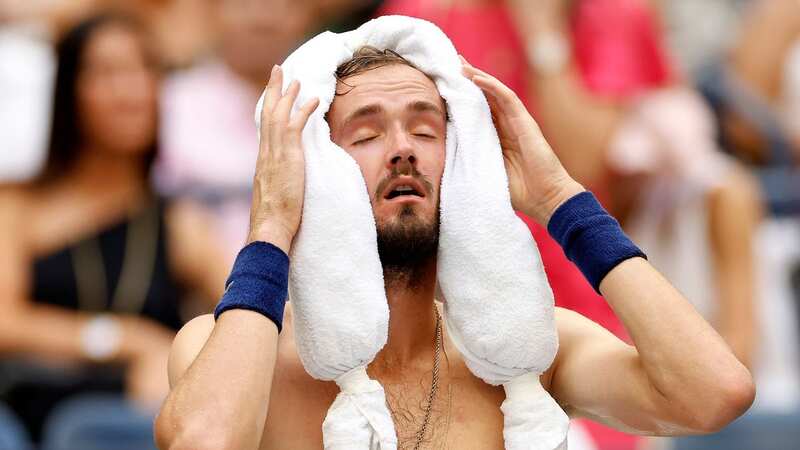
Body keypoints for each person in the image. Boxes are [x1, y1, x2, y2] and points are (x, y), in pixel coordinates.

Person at [155, 48, 755, 449]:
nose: (402, 149)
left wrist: (560, 200)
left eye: (425, 129)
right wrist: (272, 227)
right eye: (365, 133)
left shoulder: (530, 351)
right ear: (312, 169)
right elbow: (204, 439)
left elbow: (713, 394)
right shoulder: (223, 348)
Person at [0, 13, 228, 444]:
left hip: (122, 419)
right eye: (107, 73)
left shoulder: (181, 224)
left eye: (145, 69)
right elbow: (4, 321)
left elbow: (246, 324)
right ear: (69, 91)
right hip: (15, 408)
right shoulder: (18, 207)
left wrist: (181, 361)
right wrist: (127, 339)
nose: (132, 91)